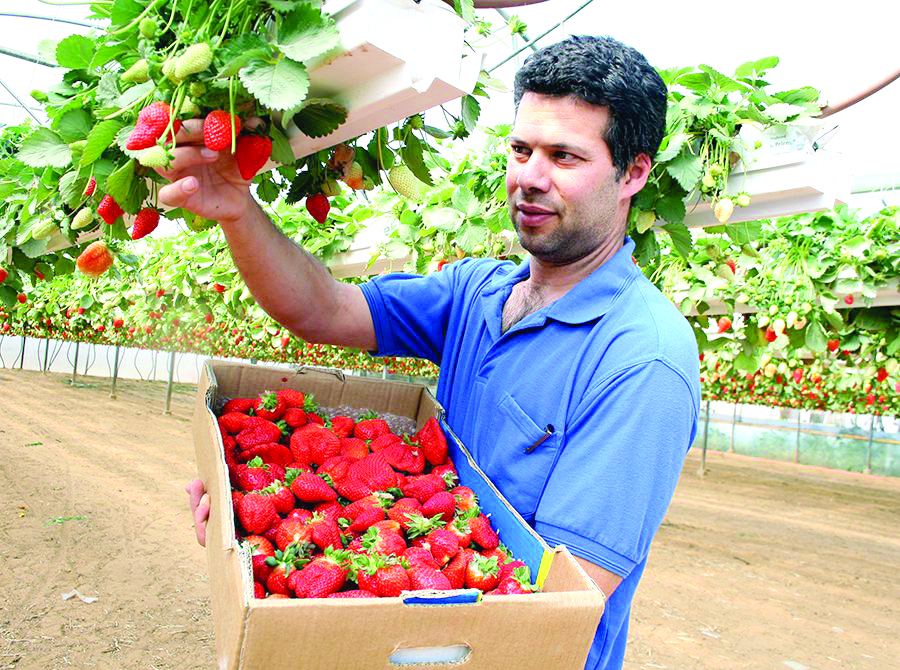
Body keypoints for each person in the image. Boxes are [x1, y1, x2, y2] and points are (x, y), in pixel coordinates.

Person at [172, 35, 700, 670]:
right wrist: (237, 208)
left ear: (633, 173)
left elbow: (559, 602)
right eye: (521, 149)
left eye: (565, 156)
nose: (530, 176)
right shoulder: (478, 290)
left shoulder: (642, 358)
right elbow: (322, 310)